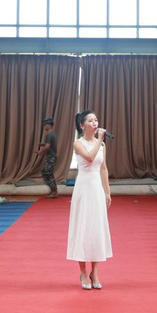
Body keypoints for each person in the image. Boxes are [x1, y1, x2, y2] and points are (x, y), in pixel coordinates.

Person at [67, 110, 112, 290]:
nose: (95, 123)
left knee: (96, 228)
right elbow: (90, 158)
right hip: (83, 188)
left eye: (96, 120)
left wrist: (107, 192)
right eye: (91, 121)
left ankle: (95, 272)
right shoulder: (78, 143)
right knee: (83, 227)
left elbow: (103, 169)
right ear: (82, 125)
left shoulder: (102, 145)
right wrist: (100, 140)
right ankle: (83, 272)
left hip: (96, 188)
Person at [37, 118, 58, 198]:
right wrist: (42, 144)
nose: (44, 126)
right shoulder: (53, 134)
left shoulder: (49, 134)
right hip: (52, 156)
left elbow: (48, 146)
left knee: (48, 173)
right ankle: (53, 191)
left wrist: (40, 152)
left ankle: (54, 192)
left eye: (45, 125)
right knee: (47, 173)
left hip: (51, 157)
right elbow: (50, 144)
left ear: (49, 125)